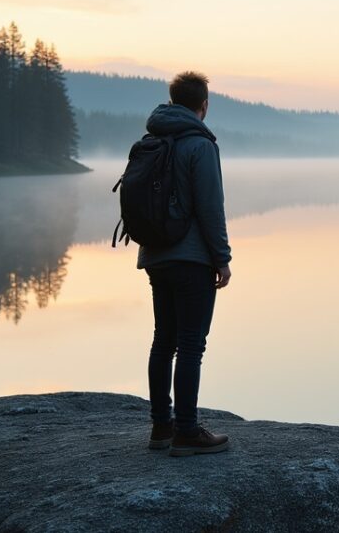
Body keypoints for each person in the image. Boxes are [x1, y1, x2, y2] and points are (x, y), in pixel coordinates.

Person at [138, 71, 233, 457]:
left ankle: (161, 427)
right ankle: (187, 432)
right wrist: (222, 258)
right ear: (204, 105)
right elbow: (211, 207)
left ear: (172, 100)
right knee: (191, 345)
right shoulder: (200, 145)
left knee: (164, 340)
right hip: (191, 259)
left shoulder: (150, 139)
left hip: (155, 256)